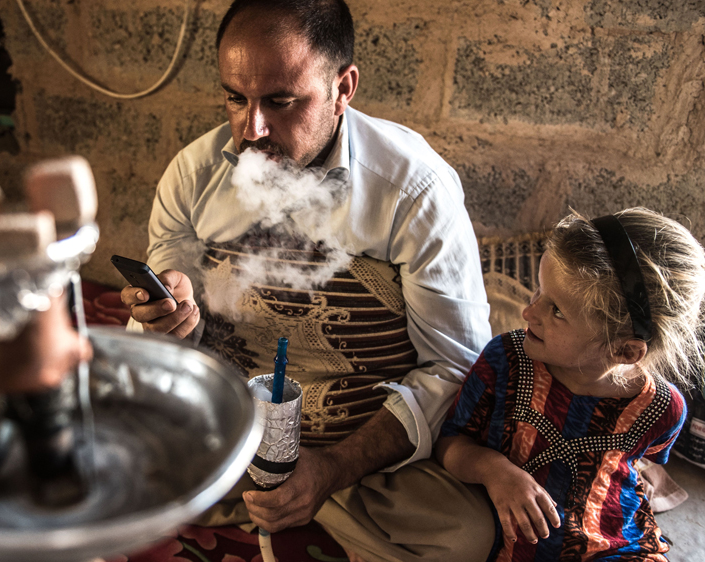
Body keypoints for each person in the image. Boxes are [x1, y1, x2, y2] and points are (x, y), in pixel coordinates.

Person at [121, 0, 495, 559]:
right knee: (82, 459)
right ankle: (258, 495)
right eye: (235, 98)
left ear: (343, 88)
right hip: (228, 431)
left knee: (466, 537)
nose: (253, 130)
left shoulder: (412, 190)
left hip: (358, 448)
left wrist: (333, 468)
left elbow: (454, 367)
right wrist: (164, 320)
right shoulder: (193, 176)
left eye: (281, 101)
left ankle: (305, 499)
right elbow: (170, 316)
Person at [434, 208, 705, 561]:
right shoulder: (506, 360)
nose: (529, 312)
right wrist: (495, 471)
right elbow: (449, 442)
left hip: (612, 546)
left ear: (625, 351)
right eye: (539, 291)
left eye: (557, 310)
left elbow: (635, 465)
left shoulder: (662, 408)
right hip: (515, 541)